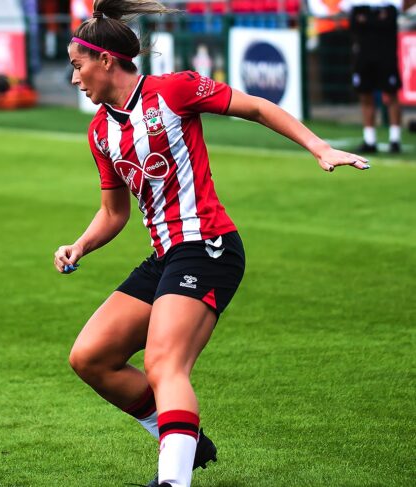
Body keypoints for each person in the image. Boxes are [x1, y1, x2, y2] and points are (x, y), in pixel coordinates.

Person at [55, 1, 370, 486]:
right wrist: (80, 245)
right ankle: (182, 437)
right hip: (165, 256)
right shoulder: (100, 132)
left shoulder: (174, 90)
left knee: (164, 363)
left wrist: (319, 147)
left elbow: (258, 107)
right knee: (90, 357)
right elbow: (114, 213)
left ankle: (173, 480)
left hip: (208, 245)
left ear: (106, 61)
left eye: (78, 67)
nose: (74, 79)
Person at [342, 0, 403, 154]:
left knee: (391, 95)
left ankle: (395, 139)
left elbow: (389, 23)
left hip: (386, 57)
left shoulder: (389, 5)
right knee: (365, 96)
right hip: (364, 58)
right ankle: (370, 140)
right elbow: (354, 25)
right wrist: (376, 20)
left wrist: (367, 21)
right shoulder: (357, 5)